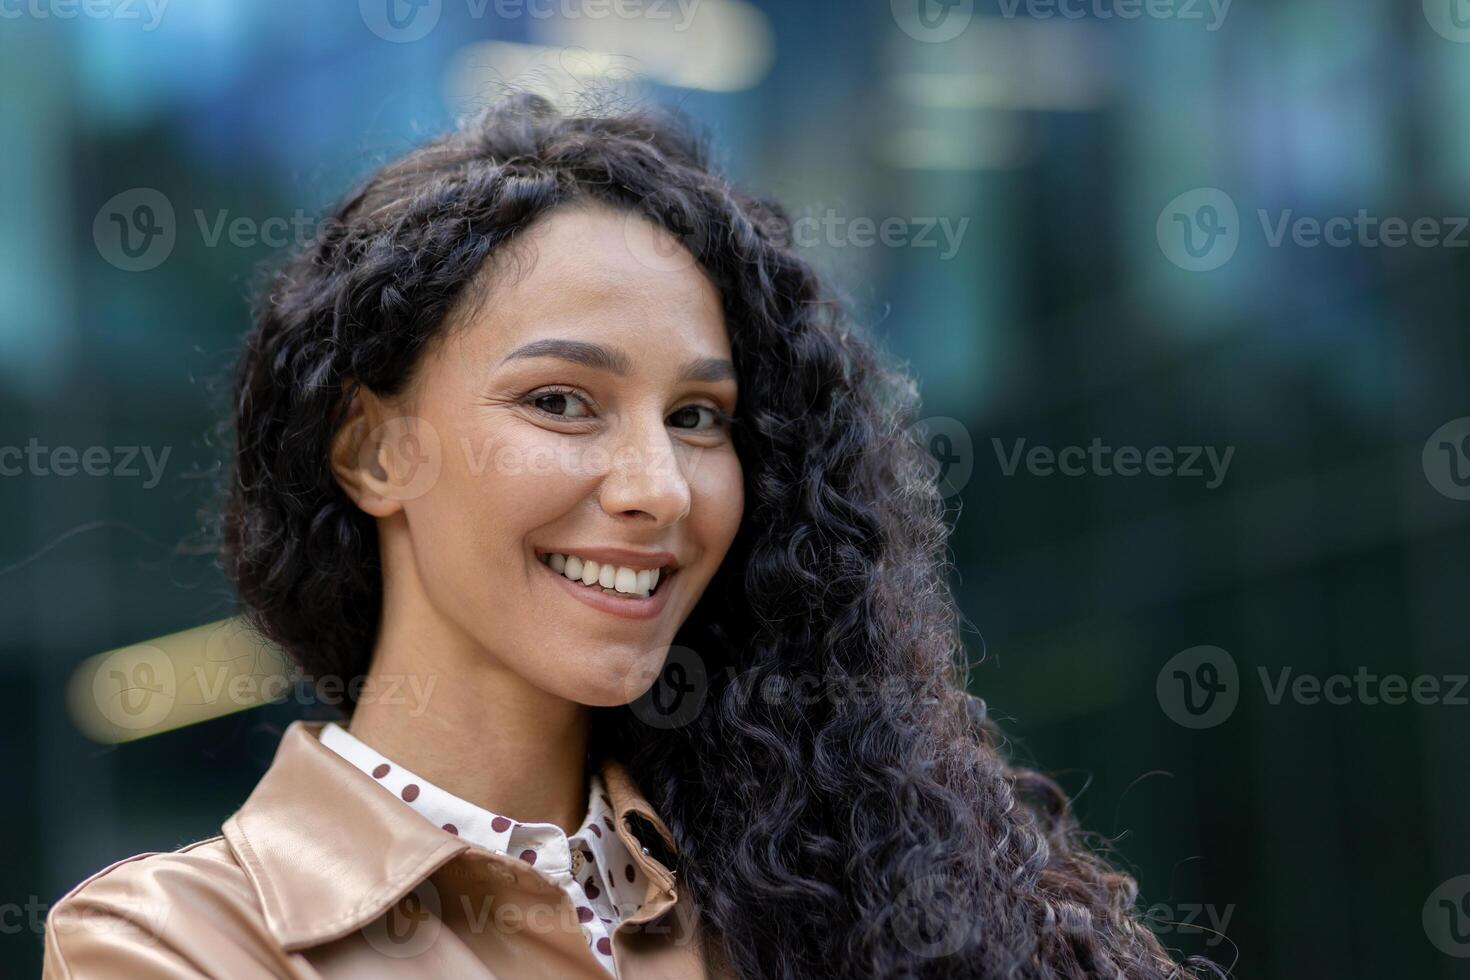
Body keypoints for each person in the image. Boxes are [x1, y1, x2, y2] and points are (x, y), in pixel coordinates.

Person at [42, 92, 1222, 979]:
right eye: (561, 400)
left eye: (700, 418)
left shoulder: (830, 883)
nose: (660, 486)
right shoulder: (179, 940)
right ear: (371, 450)